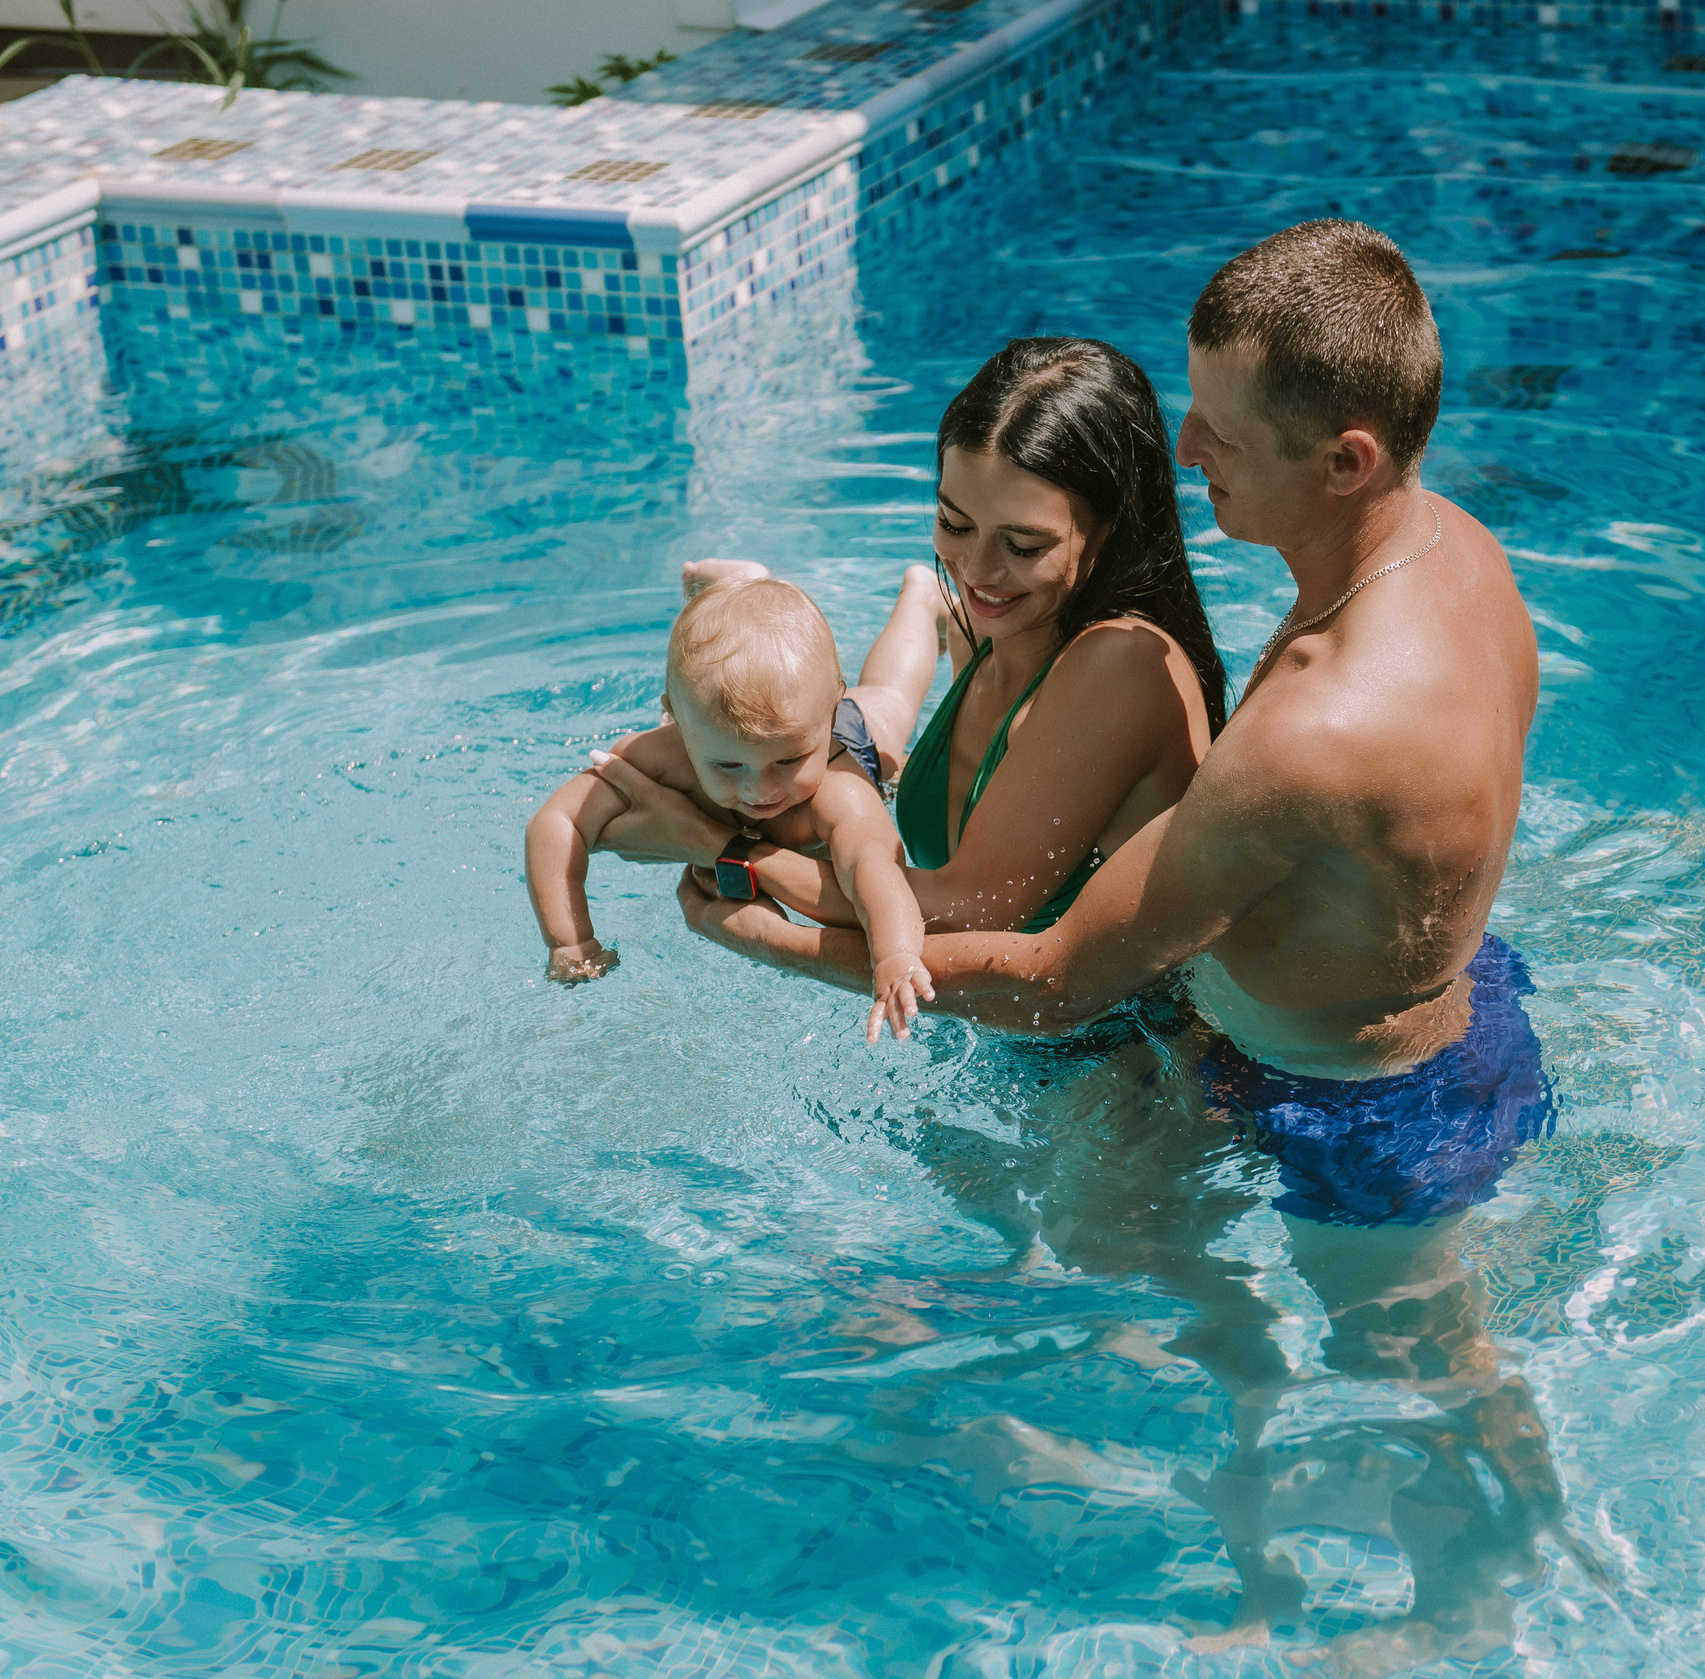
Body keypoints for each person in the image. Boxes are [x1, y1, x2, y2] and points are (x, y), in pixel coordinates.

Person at [663, 220, 1566, 1665]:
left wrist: (773, 937)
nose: (1185, 436)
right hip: (1432, 1004)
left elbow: (1058, 979)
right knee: (1401, 1371)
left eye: (1222, 423)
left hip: (1360, 1108)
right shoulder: (1451, 554)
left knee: (1424, 1375)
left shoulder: (1318, 731)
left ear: (1345, 457)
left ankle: (1462, 1621)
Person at [585, 337, 1224, 944]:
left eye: (1023, 545)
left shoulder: (1121, 666)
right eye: (953, 522)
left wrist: (718, 847)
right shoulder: (984, 633)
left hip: (1137, 1050)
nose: (977, 571)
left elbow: (964, 914)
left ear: (1111, 530)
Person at [521, 574, 935, 1040]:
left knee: (890, 697)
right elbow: (556, 822)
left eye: (788, 760)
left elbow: (872, 865)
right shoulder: (663, 755)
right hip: (786, 717)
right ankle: (741, 587)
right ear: (676, 720)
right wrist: (571, 941)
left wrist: (895, 955)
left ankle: (920, 598)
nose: (761, 790)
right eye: (727, 765)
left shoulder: (840, 788)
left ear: (828, 709)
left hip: (854, 739)